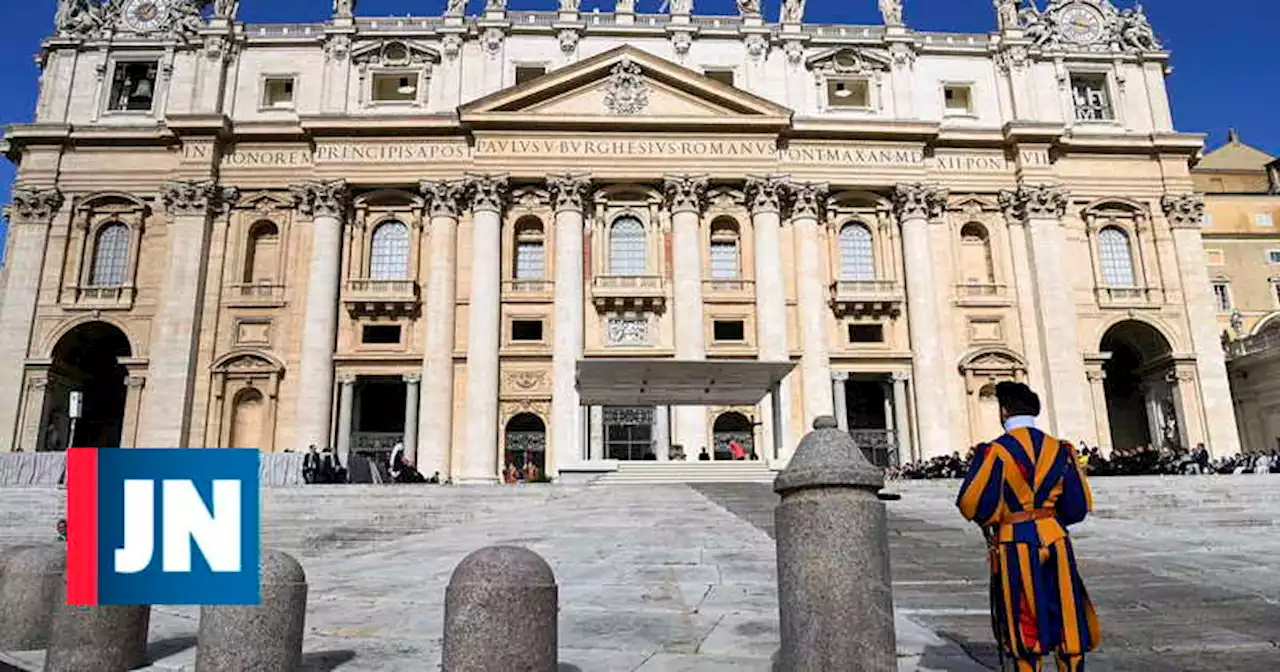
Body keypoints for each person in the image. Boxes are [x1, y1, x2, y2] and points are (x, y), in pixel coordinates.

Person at [956, 382, 1099, 672]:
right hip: (1055, 537)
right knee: (1065, 609)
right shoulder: (1061, 450)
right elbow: (1077, 506)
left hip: (1015, 539)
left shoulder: (995, 452)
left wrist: (996, 519)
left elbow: (971, 503)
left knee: (1023, 615)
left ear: (1004, 411)